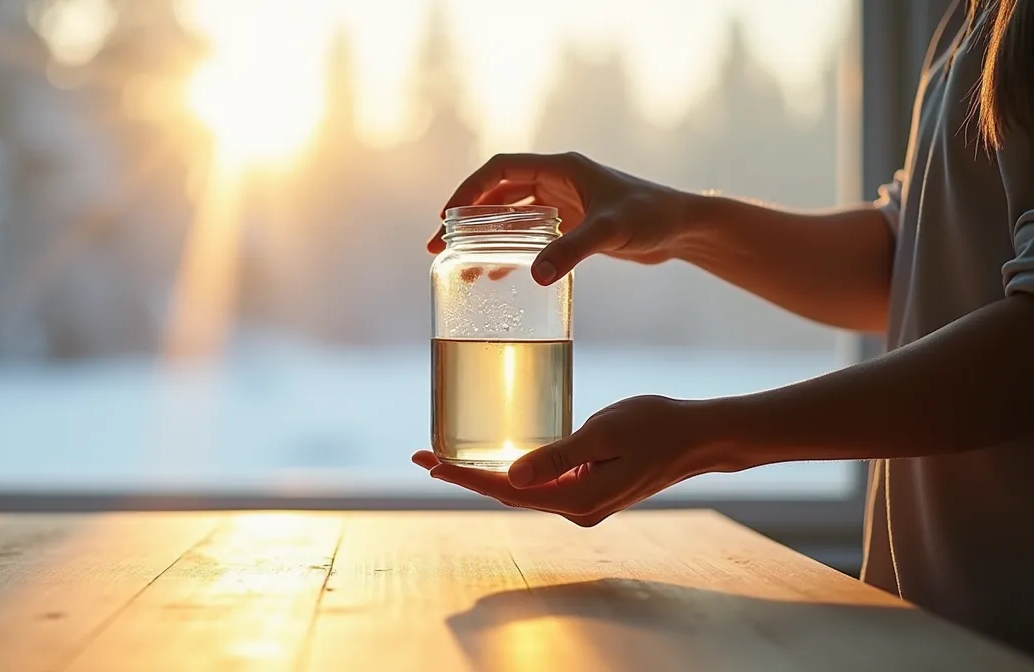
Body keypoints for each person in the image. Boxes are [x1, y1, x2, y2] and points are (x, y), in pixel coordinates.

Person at [412, 0, 1034, 654]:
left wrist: (706, 437)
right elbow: (910, 260)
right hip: (936, 630)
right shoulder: (966, 18)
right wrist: (678, 222)